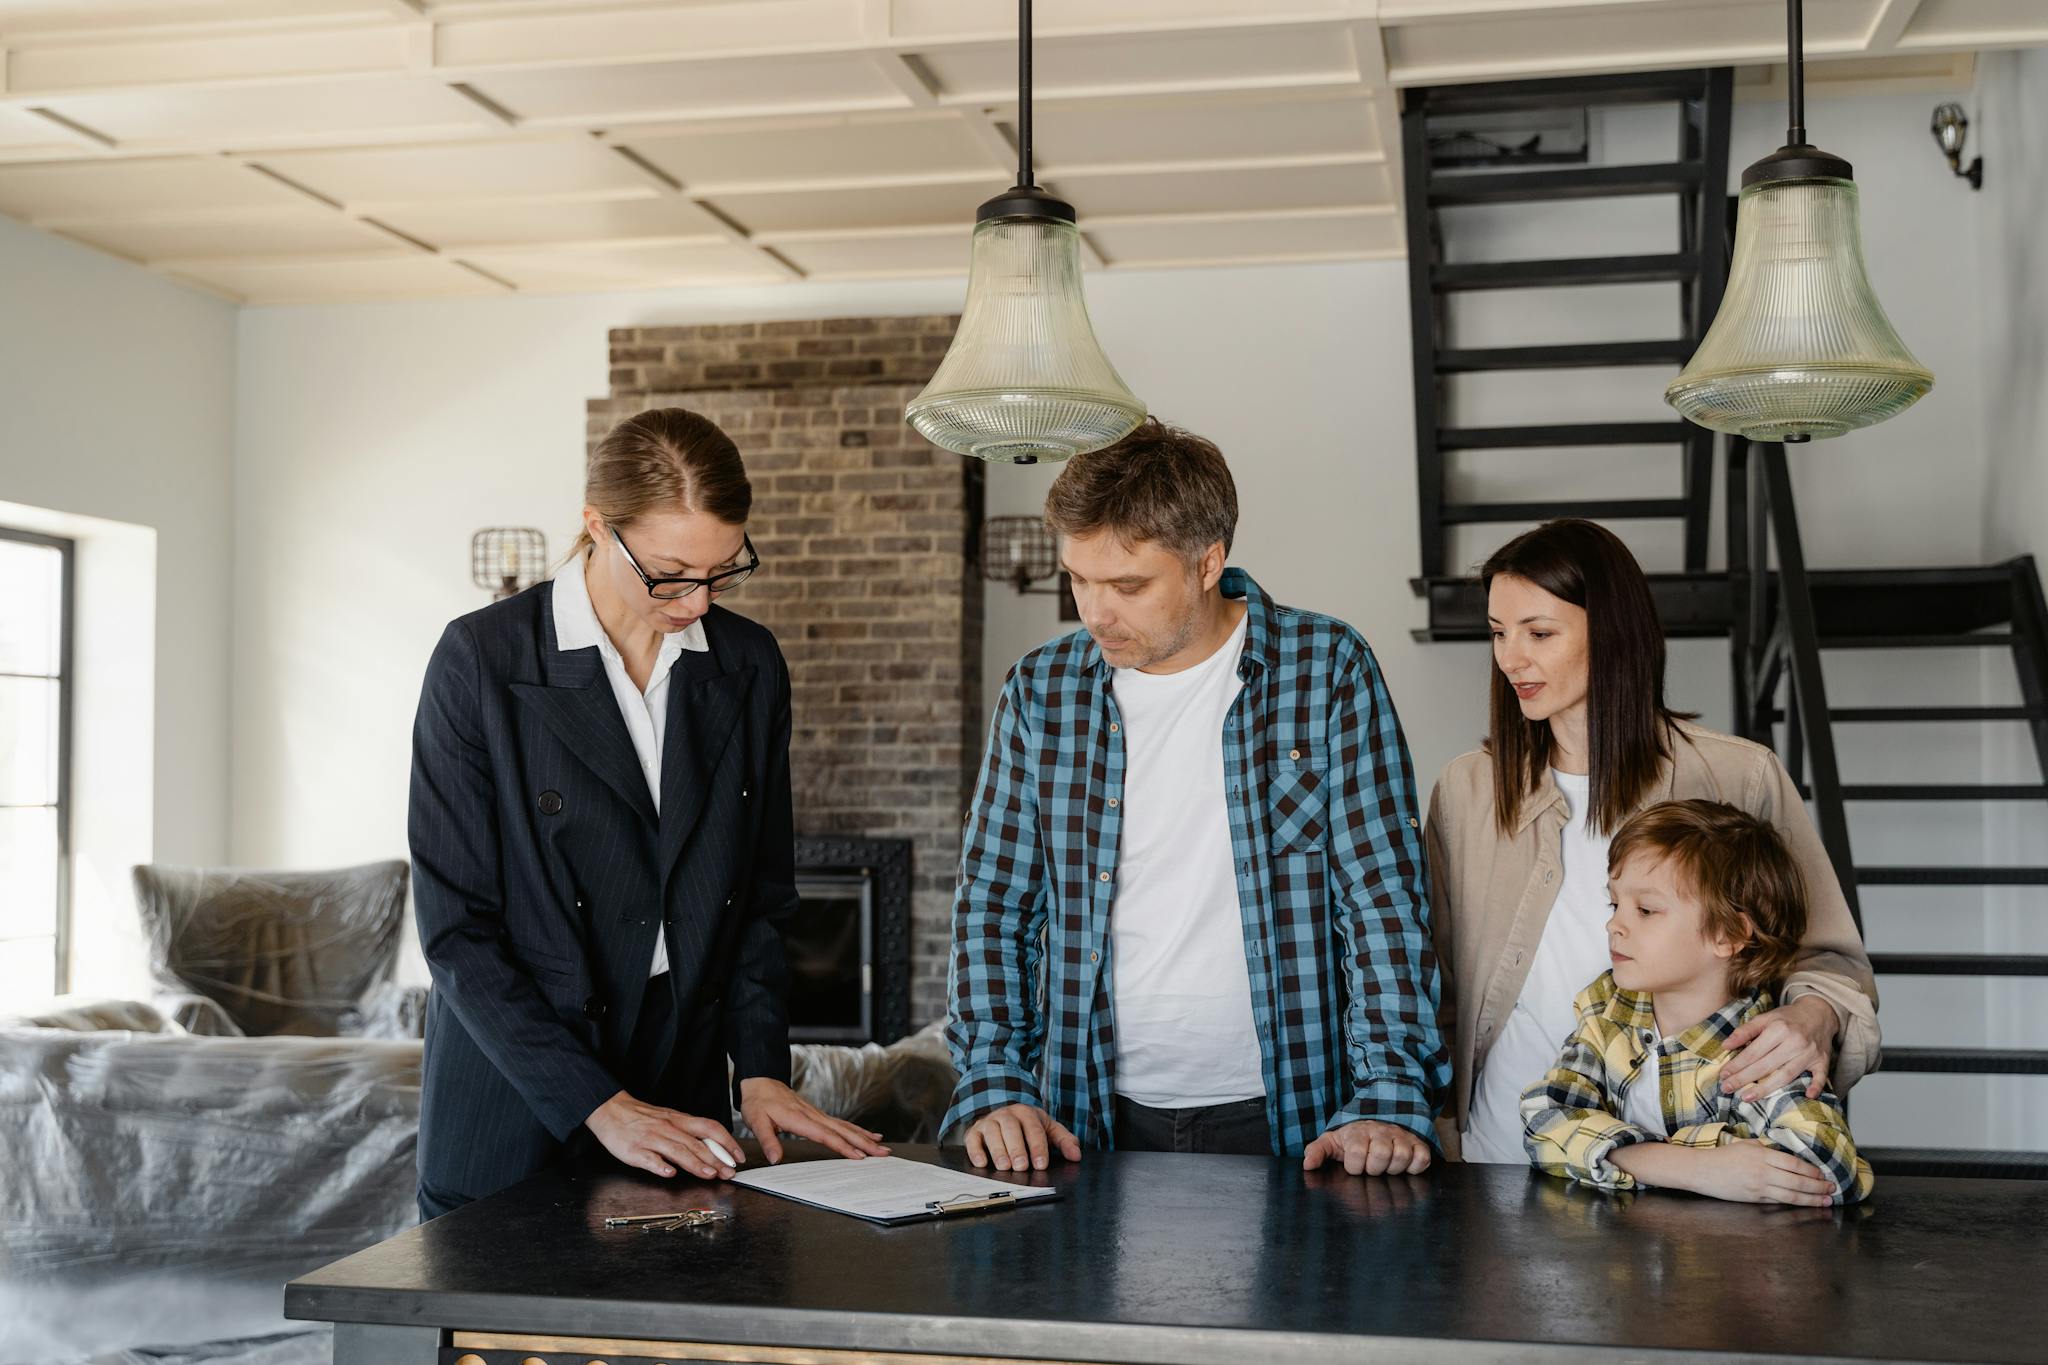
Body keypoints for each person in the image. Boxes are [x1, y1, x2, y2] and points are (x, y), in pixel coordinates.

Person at [408, 406, 885, 1220]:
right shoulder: (480, 662)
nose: (698, 601)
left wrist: (761, 1067)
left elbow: (758, 898)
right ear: (597, 525)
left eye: (722, 570)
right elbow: (459, 934)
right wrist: (599, 1102)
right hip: (513, 1092)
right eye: (671, 572)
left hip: (680, 1075)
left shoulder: (750, 665)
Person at [946, 419, 1448, 1177]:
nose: (1094, 612)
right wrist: (992, 1081)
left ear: (1208, 561)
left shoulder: (1326, 671)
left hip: (1294, 1112)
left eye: (1128, 585)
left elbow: (1381, 898)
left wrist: (1388, 1092)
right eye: (1078, 578)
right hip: (1085, 1113)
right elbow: (994, 902)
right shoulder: (1039, 692)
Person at [1426, 518, 1879, 1164]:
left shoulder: (1740, 778)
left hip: (1696, 1175)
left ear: (1610, 632)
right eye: (1498, 633)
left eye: (1540, 633)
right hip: (1501, 1161)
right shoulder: (1466, 790)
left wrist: (1815, 1019)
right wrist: (1439, 1129)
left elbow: (1832, 967)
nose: (1511, 659)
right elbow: (1434, 988)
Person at [1521, 799, 1874, 1204]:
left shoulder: (1761, 1051)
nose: (1613, 924)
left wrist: (1616, 1152)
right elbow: (1543, 1119)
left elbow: (1830, 1168)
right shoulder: (1605, 1012)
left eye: (1646, 910)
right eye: (1614, 903)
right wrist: (1695, 1166)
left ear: (1728, 935)